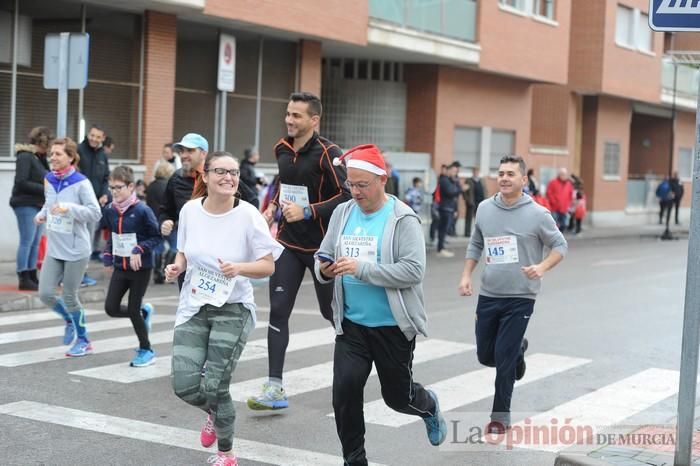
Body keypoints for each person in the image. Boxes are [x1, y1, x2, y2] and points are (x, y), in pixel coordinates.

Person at [314, 144, 447, 465]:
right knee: (344, 394)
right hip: (352, 326)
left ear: (382, 180)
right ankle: (354, 460)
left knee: (398, 399)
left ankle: (428, 406)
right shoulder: (343, 213)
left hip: (391, 327)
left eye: (362, 185)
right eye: (350, 184)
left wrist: (362, 269)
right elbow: (323, 254)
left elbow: (413, 271)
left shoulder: (403, 219)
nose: (355, 192)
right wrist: (325, 269)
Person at [166, 151, 282, 466]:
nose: (228, 177)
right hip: (195, 305)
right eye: (220, 171)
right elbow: (183, 253)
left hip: (234, 308)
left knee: (216, 385)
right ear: (205, 176)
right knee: (185, 385)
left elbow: (268, 266)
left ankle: (227, 454)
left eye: (233, 172)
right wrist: (176, 267)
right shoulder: (190, 210)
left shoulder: (248, 215)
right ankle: (214, 413)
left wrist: (239, 268)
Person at [247, 91, 351, 410]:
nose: (289, 120)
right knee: (278, 309)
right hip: (289, 243)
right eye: (288, 114)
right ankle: (275, 388)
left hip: (322, 246)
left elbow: (347, 196)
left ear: (314, 120)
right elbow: (284, 183)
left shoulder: (328, 154)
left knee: (330, 313)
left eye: (297, 115)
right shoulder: (281, 148)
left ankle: (360, 360)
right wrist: (273, 207)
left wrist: (309, 212)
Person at [458, 154, 567, 434]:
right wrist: (466, 275)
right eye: (501, 173)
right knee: (486, 354)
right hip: (489, 293)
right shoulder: (484, 209)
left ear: (523, 179)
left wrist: (541, 267)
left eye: (510, 174)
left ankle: (500, 417)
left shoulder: (538, 214)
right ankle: (519, 350)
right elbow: (476, 244)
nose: (504, 178)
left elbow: (560, 246)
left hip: (521, 296)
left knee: (503, 358)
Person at [35, 137, 102, 357]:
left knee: (70, 296)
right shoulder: (49, 179)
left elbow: (95, 213)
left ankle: (84, 341)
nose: (52, 157)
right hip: (55, 247)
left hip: (76, 249)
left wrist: (69, 208)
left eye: (58, 154)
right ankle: (69, 319)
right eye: (51, 154)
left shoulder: (81, 182)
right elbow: (49, 203)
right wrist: (43, 214)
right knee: (45, 293)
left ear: (71, 157)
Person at [102, 166, 161, 367]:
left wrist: (139, 248)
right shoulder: (110, 210)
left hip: (140, 269)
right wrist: (108, 254)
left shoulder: (143, 210)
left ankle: (147, 350)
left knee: (133, 309)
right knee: (111, 307)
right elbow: (112, 235)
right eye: (111, 188)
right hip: (121, 267)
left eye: (118, 187)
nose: (114, 192)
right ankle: (145, 312)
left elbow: (156, 237)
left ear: (130, 186)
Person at [160, 133, 208, 289]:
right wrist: (165, 221)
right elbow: (166, 210)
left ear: (203, 153)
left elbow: (250, 200)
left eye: (190, 151)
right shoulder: (176, 178)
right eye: (181, 151)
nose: (184, 155)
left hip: (214, 253)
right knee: (187, 303)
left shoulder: (218, 175)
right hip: (187, 252)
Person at [10, 126, 51, 290]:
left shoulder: (39, 158)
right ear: (42, 142)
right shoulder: (26, 157)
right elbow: (21, 182)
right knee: (27, 241)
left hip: (38, 204)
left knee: (35, 242)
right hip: (25, 203)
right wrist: (44, 189)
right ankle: (23, 276)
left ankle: (32, 275)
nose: (49, 150)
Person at [77, 124, 110, 283]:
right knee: (76, 239)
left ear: (102, 138)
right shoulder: (78, 150)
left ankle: (82, 273)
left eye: (98, 137)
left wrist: (105, 193)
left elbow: (105, 178)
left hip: (94, 206)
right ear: (87, 134)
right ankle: (70, 274)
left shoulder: (103, 154)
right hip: (78, 204)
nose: (94, 139)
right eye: (92, 135)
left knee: (87, 241)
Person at [147, 162, 175, 284]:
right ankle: (166, 272)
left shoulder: (151, 186)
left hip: (154, 220)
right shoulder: (168, 186)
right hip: (167, 221)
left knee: (158, 248)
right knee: (175, 245)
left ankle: (157, 274)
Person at [436, 161, 463, 258]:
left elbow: (457, 192)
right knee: (443, 229)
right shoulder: (444, 180)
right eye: (454, 171)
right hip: (445, 208)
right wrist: (458, 186)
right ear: (449, 170)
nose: (455, 173)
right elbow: (452, 192)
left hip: (449, 208)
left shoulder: (451, 180)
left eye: (456, 172)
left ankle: (441, 247)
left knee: (444, 229)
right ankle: (440, 249)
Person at [463, 167, 487, 238]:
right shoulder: (468, 180)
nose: (476, 173)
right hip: (472, 202)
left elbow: (485, 190)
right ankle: (467, 233)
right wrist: (467, 200)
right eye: (474, 171)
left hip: (481, 202)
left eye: (477, 171)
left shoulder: (482, 180)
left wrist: (486, 200)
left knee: (480, 219)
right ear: (472, 172)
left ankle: (480, 233)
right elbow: (464, 192)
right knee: (469, 218)